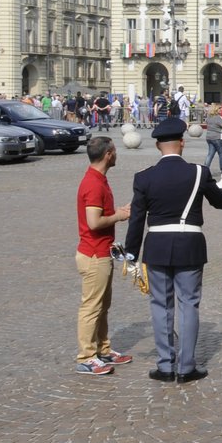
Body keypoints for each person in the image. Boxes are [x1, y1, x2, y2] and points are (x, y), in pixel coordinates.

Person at [122, 117, 222, 383]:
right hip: (189, 245)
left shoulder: (144, 177)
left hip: (157, 246)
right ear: (182, 143)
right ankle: (186, 367)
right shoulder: (198, 173)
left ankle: (165, 365)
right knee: (189, 305)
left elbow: (137, 219)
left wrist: (130, 255)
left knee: (160, 306)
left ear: (159, 146)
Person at [75, 136, 134, 376]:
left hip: (100, 252)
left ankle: (103, 348)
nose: (117, 154)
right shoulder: (94, 184)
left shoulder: (98, 179)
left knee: (102, 305)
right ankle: (87, 356)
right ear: (108, 154)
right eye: (115, 151)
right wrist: (119, 215)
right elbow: (93, 221)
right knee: (91, 306)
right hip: (94, 254)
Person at [203, 106, 222, 172]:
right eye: (219, 108)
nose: (221, 109)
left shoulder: (208, 117)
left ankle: (205, 169)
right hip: (217, 137)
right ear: (215, 110)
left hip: (209, 137)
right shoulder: (218, 118)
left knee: (210, 154)